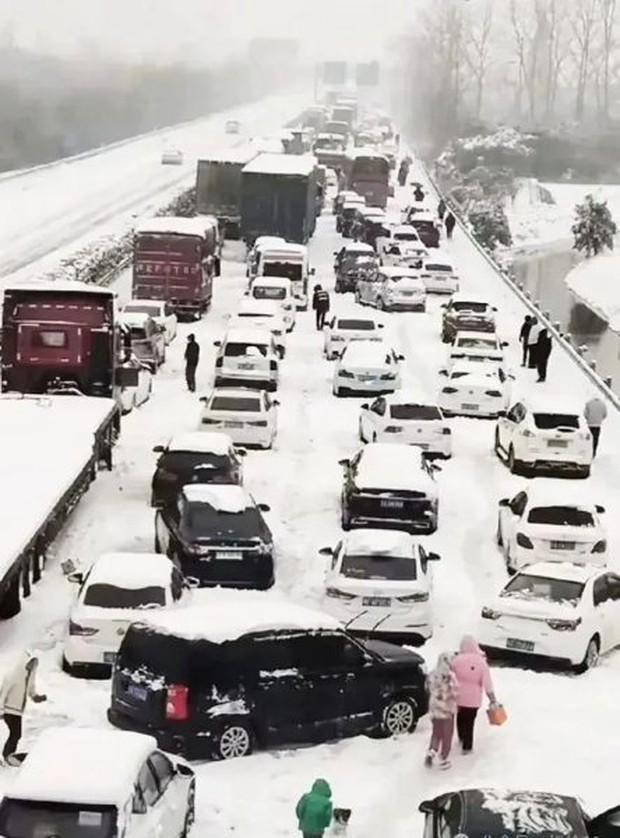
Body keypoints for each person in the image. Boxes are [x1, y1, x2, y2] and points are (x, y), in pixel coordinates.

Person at [451, 636, 496, 755]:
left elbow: (449, 677)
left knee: (460, 718)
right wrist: (492, 698)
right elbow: (487, 683)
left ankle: (461, 737)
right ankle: (467, 746)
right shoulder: (481, 662)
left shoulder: (456, 661)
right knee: (469, 722)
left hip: (458, 697)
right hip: (474, 700)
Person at [0, 653, 47, 764]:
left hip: (18, 710)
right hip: (9, 709)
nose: (33, 666)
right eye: (32, 663)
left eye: (35, 663)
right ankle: (7, 756)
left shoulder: (30, 675)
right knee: (15, 733)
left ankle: (8, 755)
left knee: (15, 734)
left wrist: (36, 697)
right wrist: (0, 709)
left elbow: (30, 689)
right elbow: (3, 692)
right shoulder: (14, 674)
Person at [425, 652, 459, 770]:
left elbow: (428, 689)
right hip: (447, 711)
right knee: (447, 736)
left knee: (436, 733)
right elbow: (455, 693)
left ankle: (431, 752)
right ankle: (443, 758)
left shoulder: (432, 675)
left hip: (435, 710)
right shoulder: (451, 676)